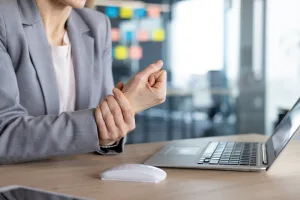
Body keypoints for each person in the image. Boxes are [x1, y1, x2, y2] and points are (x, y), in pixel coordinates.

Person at [0, 0, 167, 164]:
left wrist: (122, 108)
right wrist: (120, 109)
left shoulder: (97, 25)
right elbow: (4, 134)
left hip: (81, 178)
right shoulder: (4, 18)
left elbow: (104, 132)